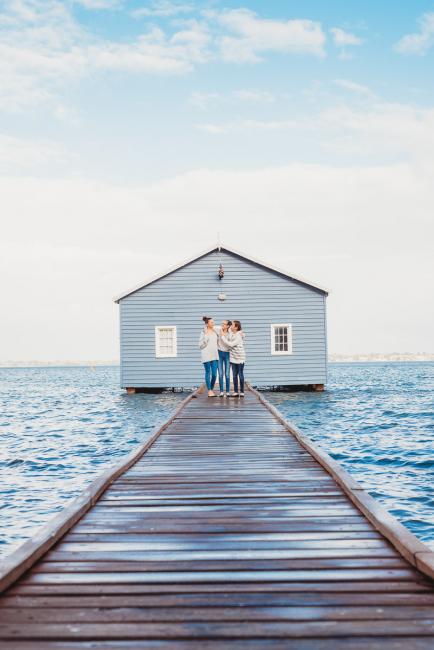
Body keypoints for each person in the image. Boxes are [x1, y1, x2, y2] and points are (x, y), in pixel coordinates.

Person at [221, 320, 246, 397]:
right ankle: (235, 391)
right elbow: (225, 330)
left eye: (232, 325)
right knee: (234, 375)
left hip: (240, 358)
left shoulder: (239, 335)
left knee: (240, 375)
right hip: (233, 358)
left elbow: (231, 344)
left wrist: (222, 337)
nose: (231, 326)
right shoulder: (232, 333)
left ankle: (242, 391)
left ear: (236, 327)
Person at [199, 316, 219, 397]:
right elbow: (200, 345)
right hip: (206, 355)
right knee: (208, 372)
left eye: (213, 322)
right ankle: (210, 391)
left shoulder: (215, 331)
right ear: (207, 324)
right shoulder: (203, 332)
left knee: (214, 374)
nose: (213, 323)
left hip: (215, 355)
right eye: (212, 322)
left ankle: (211, 389)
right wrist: (206, 336)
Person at [217, 320, 232, 397]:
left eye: (224, 324)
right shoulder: (218, 330)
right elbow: (209, 327)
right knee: (220, 374)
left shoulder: (230, 334)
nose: (222, 325)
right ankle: (221, 391)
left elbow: (230, 345)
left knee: (227, 374)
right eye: (222, 323)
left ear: (228, 326)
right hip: (219, 353)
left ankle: (228, 392)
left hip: (227, 354)